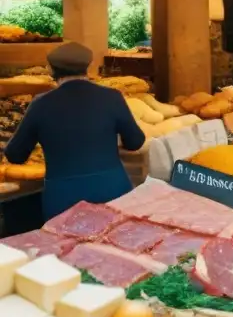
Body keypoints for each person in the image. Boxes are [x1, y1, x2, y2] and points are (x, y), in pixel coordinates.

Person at [5, 43, 147, 219]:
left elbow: (15, 155)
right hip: (113, 192)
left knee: (67, 245)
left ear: (51, 70)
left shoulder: (41, 104)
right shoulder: (112, 97)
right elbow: (136, 142)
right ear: (88, 66)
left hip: (64, 199)